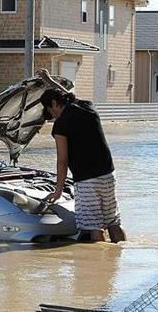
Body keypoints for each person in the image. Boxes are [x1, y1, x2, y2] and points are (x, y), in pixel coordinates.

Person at [36, 68, 126, 243]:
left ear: (54, 103)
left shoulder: (61, 125)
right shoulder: (87, 106)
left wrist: (58, 190)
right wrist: (48, 80)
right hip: (108, 174)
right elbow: (68, 94)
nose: (52, 116)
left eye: (50, 110)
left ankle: (97, 267)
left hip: (87, 180)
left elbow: (62, 162)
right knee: (113, 221)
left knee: (94, 226)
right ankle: (118, 260)